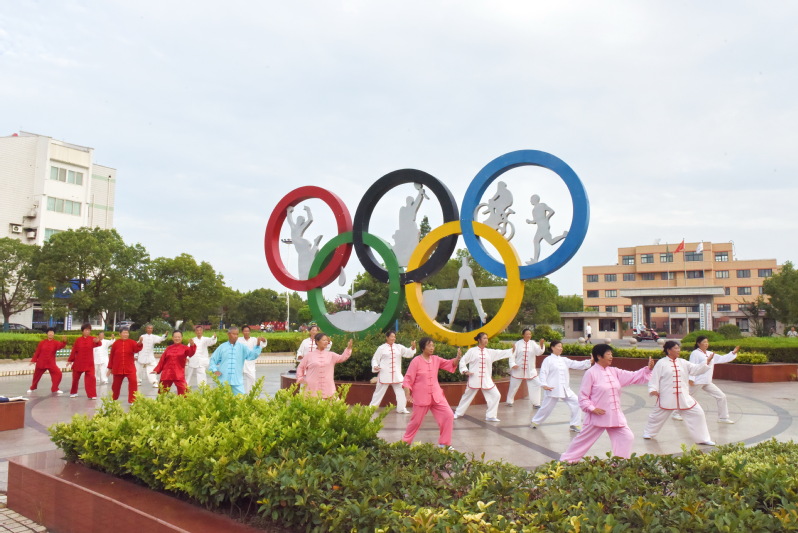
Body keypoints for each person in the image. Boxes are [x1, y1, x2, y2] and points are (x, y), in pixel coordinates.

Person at [560, 344, 654, 463]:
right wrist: (592, 408)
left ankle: (619, 463)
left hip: (615, 416)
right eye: (608, 354)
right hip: (597, 416)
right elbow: (583, 396)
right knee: (583, 441)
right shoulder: (591, 373)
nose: (611, 356)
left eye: (611, 354)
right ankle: (566, 461)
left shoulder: (614, 371)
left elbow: (633, 376)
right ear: (599, 356)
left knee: (626, 436)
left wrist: (648, 369)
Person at [643, 340, 716, 446]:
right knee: (656, 416)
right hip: (667, 396)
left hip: (683, 397)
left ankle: (703, 439)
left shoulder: (683, 362)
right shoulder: (661, 363)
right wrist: (653, 389)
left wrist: (706, 362)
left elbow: (696, 369)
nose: (678, 350)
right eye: (676, 348)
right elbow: (655, 377)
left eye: (679, 348)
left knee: (698, 413)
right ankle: (648, 433)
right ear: (669, 350)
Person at [402, 338, 461, 448]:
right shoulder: (416, 361)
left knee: (448, 415)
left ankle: (444, 444)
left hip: (437, 396)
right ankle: (404, 443)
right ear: (423, 348)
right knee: (415, 422)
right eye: (429, 346)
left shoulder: (436, 359)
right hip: (421, 397)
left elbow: (450, 363)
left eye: (433, 345)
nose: (432, 348)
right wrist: (407, 393)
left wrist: (457, 358)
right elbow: (408, 379)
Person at [672, 336, 739, 424]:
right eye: (704, 342)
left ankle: (723, 418)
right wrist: (691, 379)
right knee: (687, 397)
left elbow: (721, 358)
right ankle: (676, 413)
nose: (706, 344)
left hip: (707, 381)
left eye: (707, 342)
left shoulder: (710, 353)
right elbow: (692, 365)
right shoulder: (695, 353)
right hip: (697, 381)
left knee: (721, 396)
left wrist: (733, 353)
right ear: (698, 343)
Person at [531, 340, 593, 432]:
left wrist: (590, 361)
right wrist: (544, 384)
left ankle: (574, 424)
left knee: (577, 402)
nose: (561, 348)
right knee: (546, 408)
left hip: (565, 389)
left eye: (561, 347)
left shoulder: (564, 360)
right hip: (552, 389)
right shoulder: (548, 360)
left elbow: (576, 364)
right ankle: (535, 422)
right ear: (552, 347)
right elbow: (543, 372)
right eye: (559, 346)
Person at [454, 332, 512, 422]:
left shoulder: (489, 352)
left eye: (487, 338)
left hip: (486, 380)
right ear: (479, 340)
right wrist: (465, 370)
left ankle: (491, 416)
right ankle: (458, 413)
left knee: (496, 395)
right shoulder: (472, 351)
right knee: (467, 397)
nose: (486, 340)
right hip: (474, 378)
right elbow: (463, 360)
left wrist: (512, 350)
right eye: (484, 338)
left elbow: (501, 353)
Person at [369, 331, 416, 413]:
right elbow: (375, 359)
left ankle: (401, 408)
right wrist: (375, 366)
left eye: (394, 337)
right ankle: (371, 408)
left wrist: (412, 348)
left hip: (397, 375)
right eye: (391, 336)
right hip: (384, 374)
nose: (393, 338)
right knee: (378, 393)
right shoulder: (381, 348)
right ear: (387, 337)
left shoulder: (399, 347)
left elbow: (408, 353)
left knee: (401, 392)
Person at [210, 326, 266, 394]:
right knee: (221, 398)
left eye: (237, 334)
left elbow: (252, 356)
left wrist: (258, 345)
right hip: (223, 379)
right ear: (228, 334)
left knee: (241, 398)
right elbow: (213, 359)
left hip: (237, 380)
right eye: (233, 334)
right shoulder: (222, 347)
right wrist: (215, 370)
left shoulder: (242, 347)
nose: (235, 336)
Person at [296, 333, 353, 399]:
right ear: (317, 342)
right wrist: (300, 378)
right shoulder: (309, 356)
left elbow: (342, 358)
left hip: (328, 387)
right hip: (312, 387)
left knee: (331, 404)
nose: (326, 342)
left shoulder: (331, 355)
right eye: (324, 340)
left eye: (327, 340)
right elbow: (300, 367)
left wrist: (348, 348)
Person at [506, 329, 545, 408]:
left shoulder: (533, 343)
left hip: (530, 370)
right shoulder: (518, 343)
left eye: (530, 334)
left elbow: (538, 352)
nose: (528, 336)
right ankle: (509, 401)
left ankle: (536, 403)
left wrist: (541, 345)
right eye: (527, 334)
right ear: (523, 335)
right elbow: (512, 354)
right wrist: (512, 364)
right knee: (513, 386)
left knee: (536, 384)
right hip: (518, 369)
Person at [151, 330, 197, 396]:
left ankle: (184, 403)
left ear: (181, 338)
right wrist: (156, 370)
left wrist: (192, 345)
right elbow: (162, 360)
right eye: (175, 337)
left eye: (179, 337)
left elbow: (191, 353)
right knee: (162, 393)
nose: (177, 338)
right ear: (172, 338)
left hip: (178, 373)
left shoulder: (185, 348)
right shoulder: (168, 348)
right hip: (166, 373)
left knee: (184, 391)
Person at [107, 327, 143, 404]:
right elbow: (112, 356)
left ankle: (132, 400)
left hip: (129, 367)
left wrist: (140, 343)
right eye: (124, 333)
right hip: (118, 368)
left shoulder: (132, 342)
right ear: (120, 334)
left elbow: (137, 349)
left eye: (127, 333)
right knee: (115, 385)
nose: (126, 334)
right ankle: (114, 399)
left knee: (133, 383)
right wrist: (110, 368)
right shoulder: (116, 344)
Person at [66, 323, 101, 399]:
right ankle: (74, 392)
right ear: (82, 331)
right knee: (75, 379)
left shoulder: (92, 339)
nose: (87, 331)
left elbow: (99, 344)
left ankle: (92, 394)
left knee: (91, 378)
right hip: (78, 363)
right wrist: (70, 360)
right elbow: (74, 350)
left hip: (89, 363)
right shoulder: (78, 340)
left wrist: (97, 341)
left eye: (89, 330)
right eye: (86, 330)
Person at [27, 328, 67, 394]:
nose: (50, 334)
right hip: (41, 362)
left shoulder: (56, 343)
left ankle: (55, 388)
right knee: (36, 376)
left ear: (54, 334)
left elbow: (61, 346)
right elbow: (37, 352)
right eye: (49, 332)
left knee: (58, 374)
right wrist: (33, 360)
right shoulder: (42, 343)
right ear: (47, 334)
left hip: (51, 363)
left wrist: (64, 342)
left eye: (52, 333)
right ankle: (32, 387)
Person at [240, 325, 264, 393]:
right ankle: (238, 395)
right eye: (245, 331)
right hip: (240, 362)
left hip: (250, 362)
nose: (246, 332)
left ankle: (250, 395)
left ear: (250, 332)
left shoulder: (254, 339)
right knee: (238, 379)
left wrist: (262, 341)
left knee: (252, 378)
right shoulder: (239, 340)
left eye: (248, 331)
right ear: (242, 332)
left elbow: (260, 346)